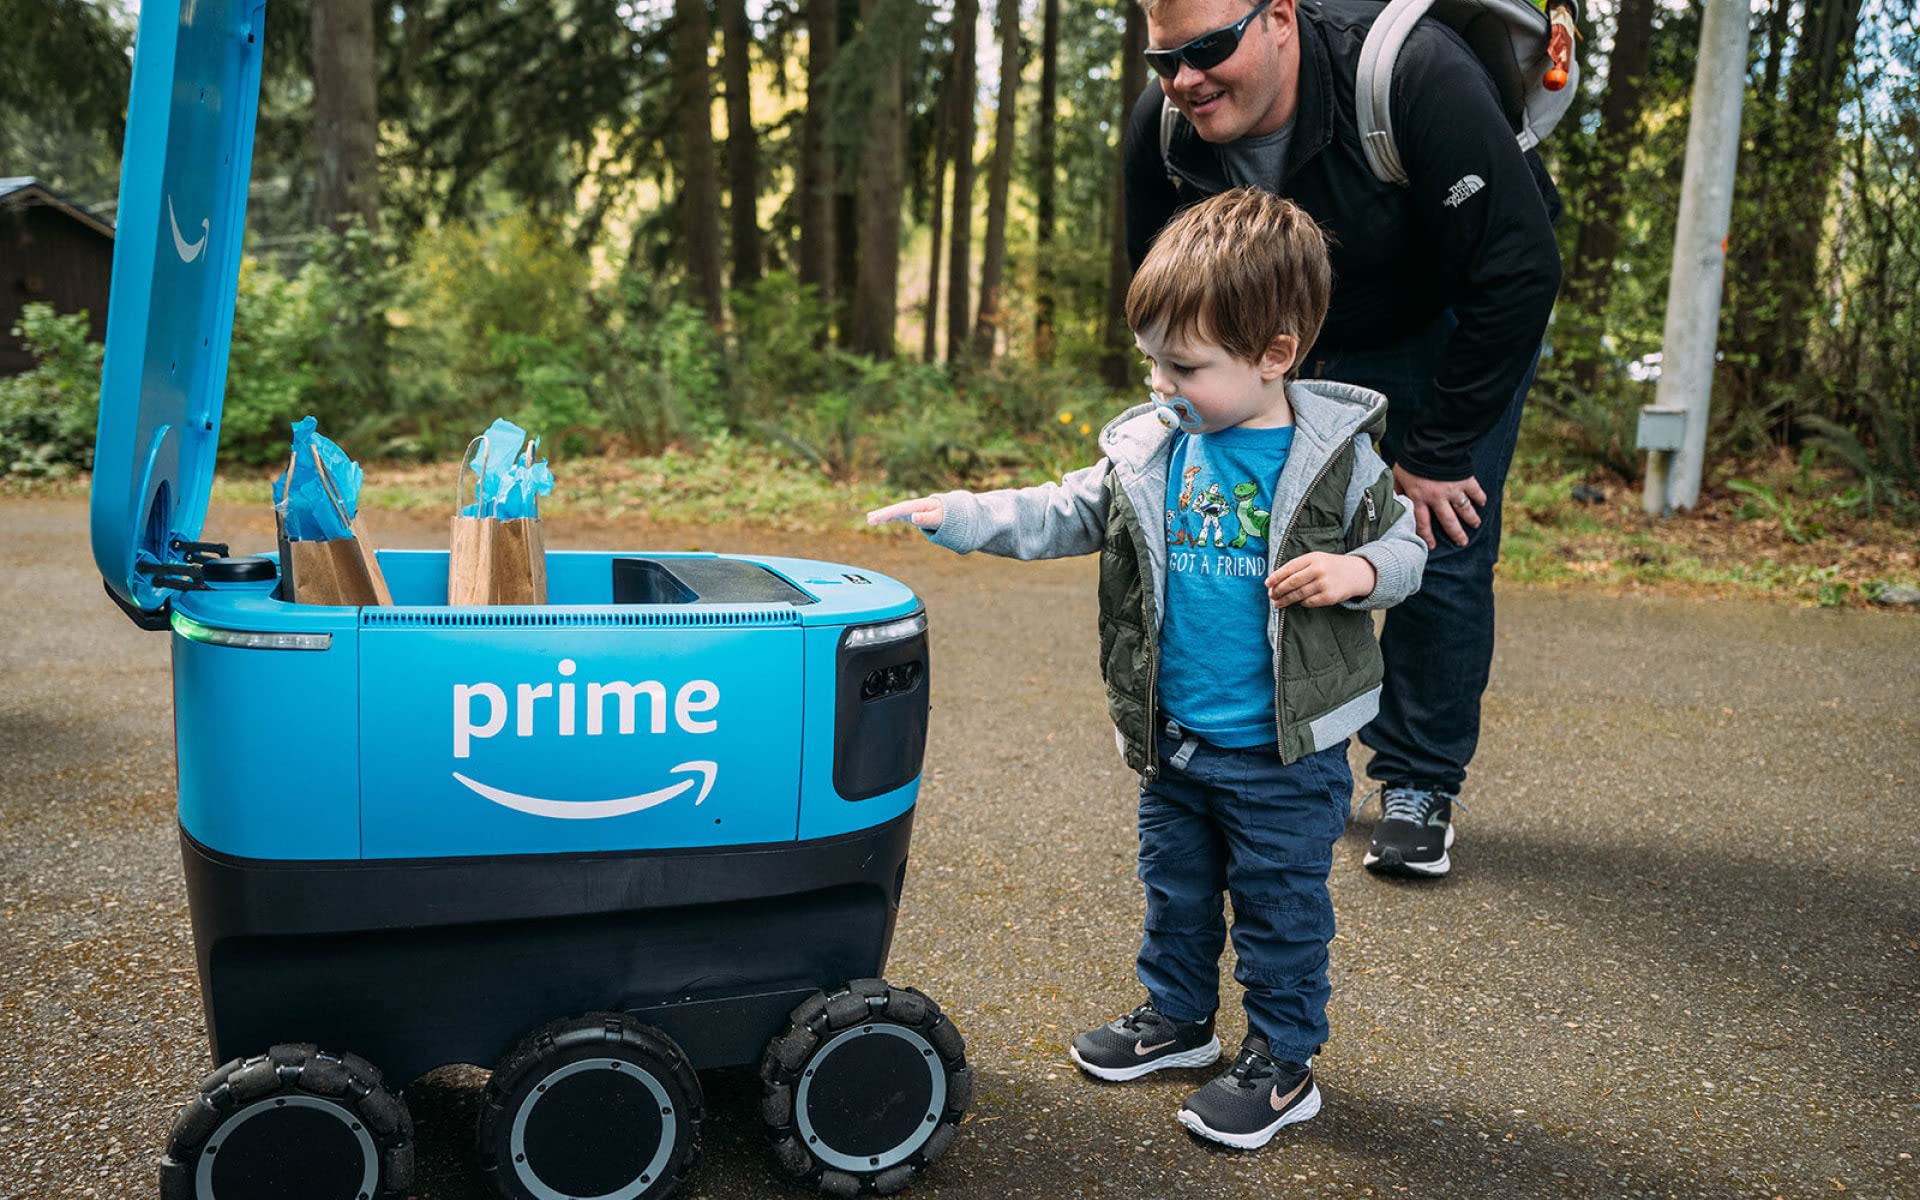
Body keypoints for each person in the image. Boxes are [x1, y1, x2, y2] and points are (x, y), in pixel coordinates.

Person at [867, 189, 1427, 1149]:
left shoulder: (1338, 462)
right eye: (1152, 362)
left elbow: (1409, 549)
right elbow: (1062, 510)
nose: (1162, 386)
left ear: (1275, 354)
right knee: (1175, 892)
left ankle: (1284, 1062)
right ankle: (1178, 1020)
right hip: (1177, 741)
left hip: (1284, 758)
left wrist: (1359, 572)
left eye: (1186, 367)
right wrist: (961, 513)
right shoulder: (1155, 450)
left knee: (1281, 913)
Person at [1124, 0, 1563, 878]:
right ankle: (1283, 748)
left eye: (1209, 50)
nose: (1185, 80)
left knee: (1436, 533)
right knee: (1273, 531)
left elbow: (1519, 269)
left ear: (1280, 16)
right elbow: (1159, 285)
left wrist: (1434, 453)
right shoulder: (1164, 127)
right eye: (1164, 60)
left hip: (1446, 317)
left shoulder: (1416, 76)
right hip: (1285, 339)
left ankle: (1418, 782)